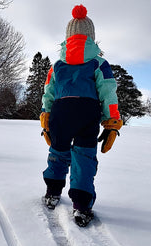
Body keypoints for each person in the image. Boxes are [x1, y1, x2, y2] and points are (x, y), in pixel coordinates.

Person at [40, 4, 123, 227]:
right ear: (91, 37)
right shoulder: (99, 63)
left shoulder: (57, 65)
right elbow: (108, 93)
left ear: (67, 38)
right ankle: (82, 206)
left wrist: (46, 116)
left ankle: (52, 192)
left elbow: (48, 92)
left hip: (60, 112)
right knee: (84, 158)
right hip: (87, 114)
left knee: (58, 152)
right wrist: (112, 121)